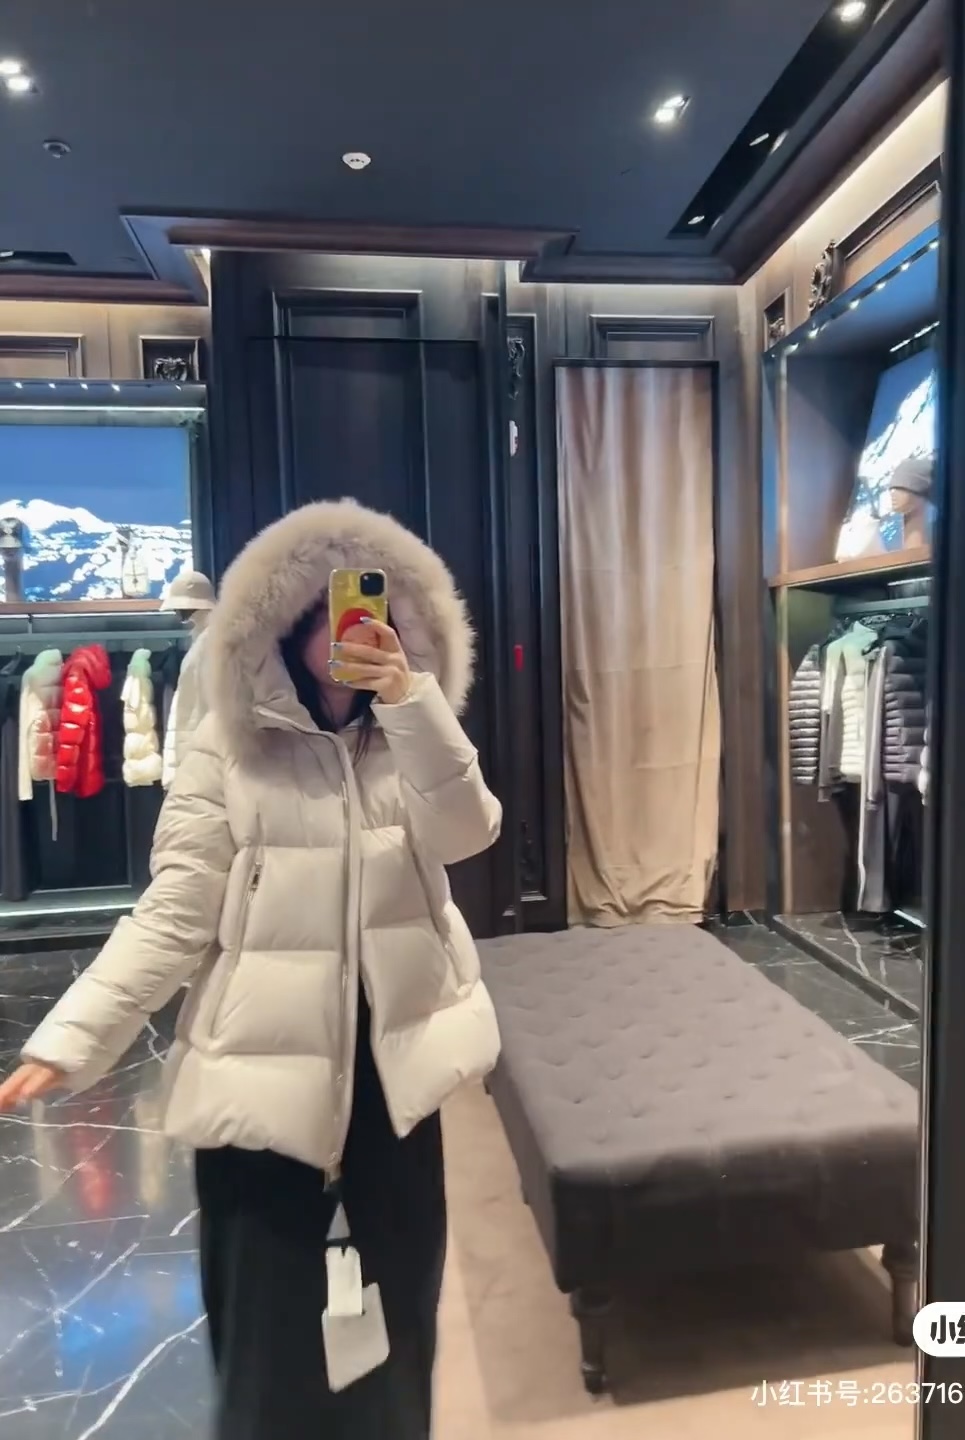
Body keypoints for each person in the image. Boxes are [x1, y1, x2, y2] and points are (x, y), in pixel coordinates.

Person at [0, 499, 503, 1440]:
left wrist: (413, 703)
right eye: (338, 613)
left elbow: (468, 831)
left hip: (395, 1079)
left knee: (398, 1327)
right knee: (269, 1337)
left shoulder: (411, 737)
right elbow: (175, 909)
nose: (362, 631)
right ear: (288, 627)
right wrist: (77, 1034)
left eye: (382, 613)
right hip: (259, 1084)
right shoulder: (227, 751)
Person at [160, 568, 216, 787]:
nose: (177, 613)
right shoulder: (203, 638)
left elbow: (199, 708)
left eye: (179, 607)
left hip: (202, 746)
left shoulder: (209, 642)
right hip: (200, 745)